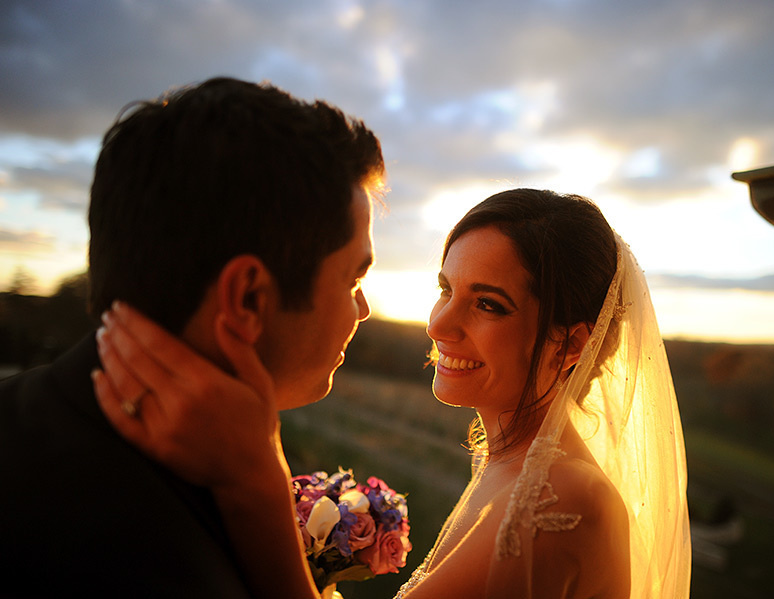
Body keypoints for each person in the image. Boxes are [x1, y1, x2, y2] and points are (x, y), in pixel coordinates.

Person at [93, 188, 692, 598]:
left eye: (487, 304)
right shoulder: (511, 462)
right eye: (445, 288)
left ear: (569, 344)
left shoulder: (563, 495)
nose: (438, 323)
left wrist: (255, 477)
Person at [0, 77, 384, 598]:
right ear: (248, 298)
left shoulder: (24, 411)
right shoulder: (145, 561)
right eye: (353, 279)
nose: (362, 309)